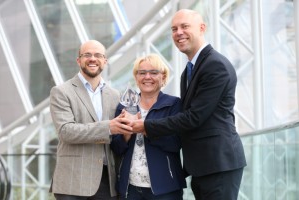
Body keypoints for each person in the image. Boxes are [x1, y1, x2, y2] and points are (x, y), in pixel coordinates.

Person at [125, 9, 247, 200]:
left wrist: (146, 125)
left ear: (202, 28)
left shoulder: (215, 65)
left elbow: (194, 117)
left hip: (218, 163)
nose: (178, 33)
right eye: (174, 29)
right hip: (202, 165)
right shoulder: (189, 70)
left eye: (184, 26)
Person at [49, 40, 131, 200]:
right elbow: (66, 131)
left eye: (98, 55)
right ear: (78, 60)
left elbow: (117, 138)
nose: (93, 59)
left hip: (107, 181)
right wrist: (108, 127)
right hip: (73, 181)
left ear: (105, 61)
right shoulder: (61, 92)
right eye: (87, 55)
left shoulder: (115, 95)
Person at [111, 54, 186, 200]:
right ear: (136, 77)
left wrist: (145, 129)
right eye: (142, 73)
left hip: (165, 187)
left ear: (163, 77)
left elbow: (176, 144)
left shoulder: (174, 104)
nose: (147, 77)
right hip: (130, 188)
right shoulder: (125, 106)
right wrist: (127, 133)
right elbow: (116, 148)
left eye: (153, 72)